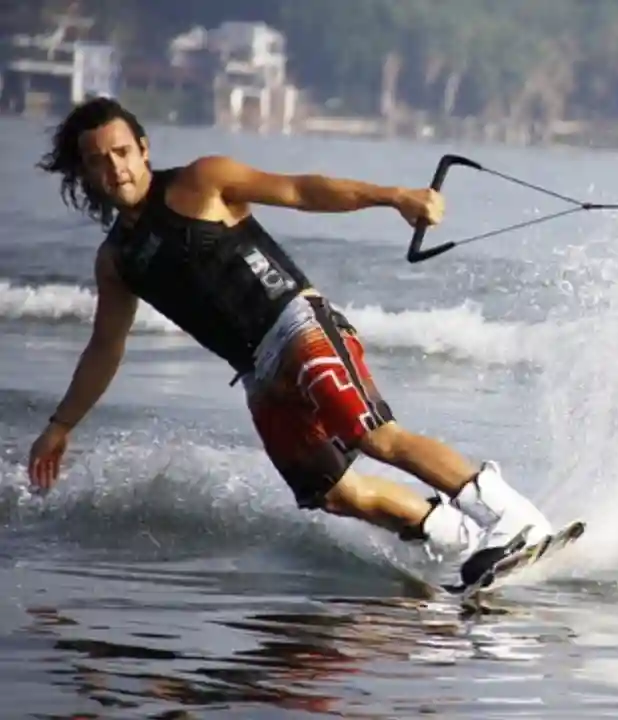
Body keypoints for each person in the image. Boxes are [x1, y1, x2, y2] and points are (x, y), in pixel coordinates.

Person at [25, 96, 554, 587]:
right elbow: (105, 347)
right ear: (84, 172)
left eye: (122, 152)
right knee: (334, 493)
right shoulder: (116, 260)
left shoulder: (202, 181)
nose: (115, 167)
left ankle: (511, 516)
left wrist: (393, 197)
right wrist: (60, 426)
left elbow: (302, 191)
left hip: (297, 326)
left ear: (143, 149)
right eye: (98, 160)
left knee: (374, 436)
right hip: (258, 374)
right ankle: (459, 541)